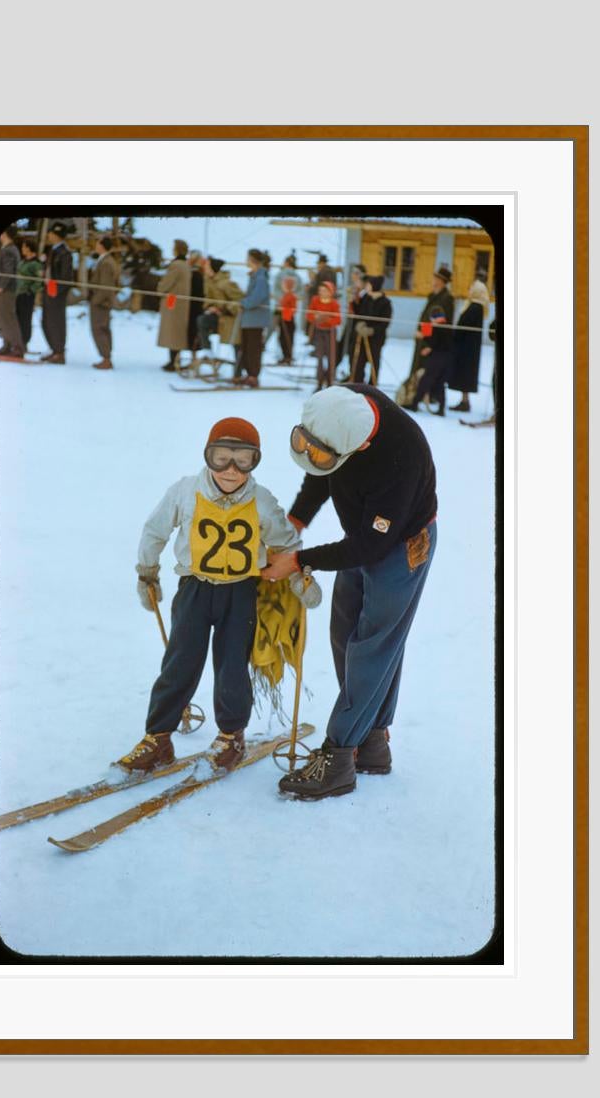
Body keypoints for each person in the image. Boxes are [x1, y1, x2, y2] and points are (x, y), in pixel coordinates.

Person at [261, 384, 438, 800]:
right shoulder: (341, 408)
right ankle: (372, 742)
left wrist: (301, 560)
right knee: (345, 633)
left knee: (374, 645)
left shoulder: (401, 458)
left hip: (400, 546)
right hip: (360, 535)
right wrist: (294, 526)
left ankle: (339, 757)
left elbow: (372, 547)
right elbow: (320, 473)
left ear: (358, 447)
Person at [117, 417, 320, 774]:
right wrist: (147, 572)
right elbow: (155, 530)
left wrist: (299, 575)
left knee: (231, 667)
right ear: (207, 456)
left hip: (240, 592)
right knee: (179, 662)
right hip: (194, 588)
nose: (230, 470)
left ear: (255, 461)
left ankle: (231, 736)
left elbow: (286, 542)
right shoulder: (185, 491)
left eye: (243, 460)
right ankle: (158, 738)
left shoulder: (261, 500)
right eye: (220, 457)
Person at [406, 264, 455, 413]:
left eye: (436, 278)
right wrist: (423, 334)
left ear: (442, 281)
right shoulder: (434, 297)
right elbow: (429, 320)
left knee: (429, 375)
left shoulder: (445, 299)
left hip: (437, 343)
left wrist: (428, 342)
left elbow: (440, 325)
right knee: (434, 376)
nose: (433, 280)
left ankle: (416, 402)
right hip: (430, 341)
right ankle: (438, 406)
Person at [448, 275, 490, 412]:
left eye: (472, 288)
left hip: (467, 349)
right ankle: (464, 400)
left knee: (464, 376)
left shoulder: (475, 307)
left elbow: (463, 326)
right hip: (468, 348)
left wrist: (454, 337)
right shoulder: (477, 306)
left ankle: (465, 402)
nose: (470, 290)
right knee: (465, 376)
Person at [232, 249, 271, 388]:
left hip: (256, 320)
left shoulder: (260, 277)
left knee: (254, 349)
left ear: (253, 259)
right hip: (249, 320)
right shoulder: (254, 276)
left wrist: (243, 303)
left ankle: (253, 376)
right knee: (247, 348)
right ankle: (249, 374)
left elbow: (257, 298)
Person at [40, 221, 74, 364]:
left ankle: (59, 352)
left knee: (56, 321)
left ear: (58, 235)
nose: (49, 235)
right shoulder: (52, 250)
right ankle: (54, 349)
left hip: (56, 292)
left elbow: (66, 277)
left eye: (52, 233)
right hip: (48, 289)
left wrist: (55, 291)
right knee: (46, 321)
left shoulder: (65, 253)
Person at [157, 239, 192, 371]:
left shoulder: (176, 264)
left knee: (171, 331)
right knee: (175, 332)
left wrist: (159, 289)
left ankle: (173, 361)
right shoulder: (185, 264)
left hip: (173, 300)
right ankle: (174, 360)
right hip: (180, 302)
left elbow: (167, 283)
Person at [88, 233, 121, 371]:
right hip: (101, 302)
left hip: (101, 303)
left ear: (102, 246)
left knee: (99, 329)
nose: (95, 246)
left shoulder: (107, 262)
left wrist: (95, 301)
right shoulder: (105, 260)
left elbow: (105, 287)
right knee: (103, 329)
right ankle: (106, 357)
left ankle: (106, 359)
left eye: (97, 243)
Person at [350, 275, 393, 384]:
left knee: (374, 362)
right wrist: (359, 325)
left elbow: (385, 322)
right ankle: (358, 383)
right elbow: (359, 313)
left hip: (376, 339)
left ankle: (372, 385)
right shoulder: (366, 298)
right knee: (359, 362)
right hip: (362, 336)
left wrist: (372, 330)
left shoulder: (385, 302)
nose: (367, 286)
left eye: (369, 285)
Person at [197, 257, 243, 356]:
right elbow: (207, 300)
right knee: (201, 320)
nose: (205, 269)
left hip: (230, 319)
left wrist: (222, 309)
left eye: (207, 266)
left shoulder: (226, 284)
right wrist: (210, 307)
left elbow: (240, 301)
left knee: (237, 345)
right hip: (218, 317)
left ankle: (238, 369)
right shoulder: (209, 282)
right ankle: (207, 350)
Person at [307, 280, 342, 390]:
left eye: (325, 290)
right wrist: (316, 318)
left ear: (330, 292)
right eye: (320, 290)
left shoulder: (334, 303)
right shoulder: (315, 300)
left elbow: (338, 320)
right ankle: (319, 382)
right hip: (319, 332)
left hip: (330, 333)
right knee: (320, 357)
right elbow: (309, 315)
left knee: (331, 357)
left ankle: (330, 381)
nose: (322, 293)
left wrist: (327, 319)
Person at [0, 227, 24, 358]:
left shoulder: (8, 250)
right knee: (3, 317)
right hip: (6, 289)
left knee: (8, 317)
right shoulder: (8, 248)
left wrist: (1, 286)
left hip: (7, 289)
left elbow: (7, 271)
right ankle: (7, 344)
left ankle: (17, 346)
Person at [273, 254, 304, 365]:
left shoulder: (280, 275)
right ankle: (288, 354)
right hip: (291, 308)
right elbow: (300, 293)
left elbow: (276, 291)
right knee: (289, 332)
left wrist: (283, 300)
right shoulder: (298, 277)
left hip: (282, 308)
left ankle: (287, 355)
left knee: (283, 333)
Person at [336, 264, 366, 372]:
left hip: (358, 321)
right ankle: (333, 368)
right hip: (350, 318)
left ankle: (352, 372)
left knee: (353, 348)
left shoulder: (363, 289)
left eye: (356, 273)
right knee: (343, 344)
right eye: (353, 273)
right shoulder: (352, 288)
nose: (354, 275)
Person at [15, 239, 43, 353]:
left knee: (25, 320)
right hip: (18, 294)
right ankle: (17, 342)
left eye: (24, 247)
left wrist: (31, 290)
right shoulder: (22, 262)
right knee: (17, 318)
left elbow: (39, 280)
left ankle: (24, 343)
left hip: (27, 295)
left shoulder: (36, 264)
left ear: (29, 248)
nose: (22, 249)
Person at [187, 250, 205, 355]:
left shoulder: (195, 274)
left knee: (193, 333)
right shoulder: (197, 274)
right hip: (194, 308)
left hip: (193, 309)